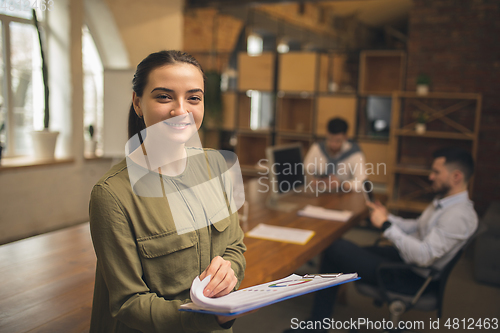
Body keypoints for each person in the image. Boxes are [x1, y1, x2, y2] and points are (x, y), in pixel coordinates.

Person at [89, 50, 246, 333]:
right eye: (164, 96)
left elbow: (235, 247)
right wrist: (209, 316)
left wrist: (229, 272)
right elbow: (128, 302)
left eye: (194, 98)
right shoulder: (112, 195)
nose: (181, 110)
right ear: (138, 102)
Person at [285, 147, 478, 333]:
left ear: (456, 177)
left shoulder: (457, 216)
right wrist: (387, 217)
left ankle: (317, 325)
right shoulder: (444, 203)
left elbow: (423, 257)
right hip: (404, 260)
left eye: (436, 172)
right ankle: (318, 323)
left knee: (336, 249)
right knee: (337, 250)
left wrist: (387, 227)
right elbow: (416, 227)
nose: (430, 177)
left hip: (411, 277)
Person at [303, 117, 366, 192]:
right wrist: (312, 180)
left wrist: (341, 184)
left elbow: (363, 183)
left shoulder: (355, 153)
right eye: (330, 139)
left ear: (345, 137)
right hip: (318, 192)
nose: (333, 144)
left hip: (343, 195)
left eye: (338, 140)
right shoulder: (317, 148)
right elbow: (305, 171)